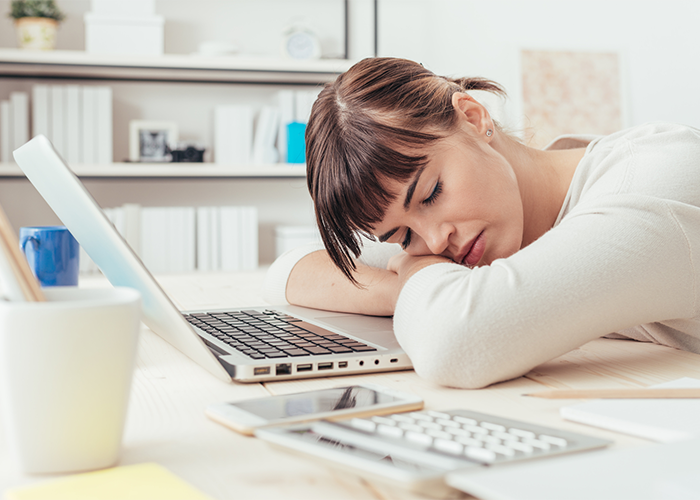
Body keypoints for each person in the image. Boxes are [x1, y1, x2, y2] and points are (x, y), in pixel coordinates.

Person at [264, 57, 700, 389]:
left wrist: (423, 276)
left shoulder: (649, 189)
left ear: (474, 119)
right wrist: (407, 284)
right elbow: (291, 270)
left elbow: (456, 342)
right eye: (402, 236)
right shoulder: (503, 222)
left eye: (432, 193)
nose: (436, 240)